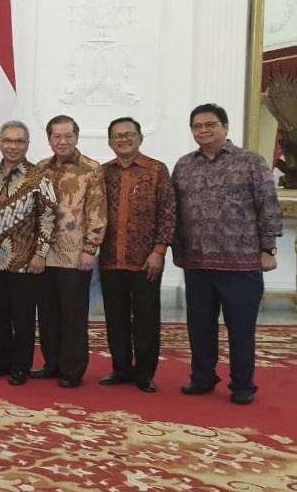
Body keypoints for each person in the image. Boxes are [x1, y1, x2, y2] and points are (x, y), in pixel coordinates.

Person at [172, 103, 281, 405]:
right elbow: (175, 211)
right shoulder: (183, 165)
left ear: (225, 127)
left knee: (241, 329)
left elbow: (269, 206)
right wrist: (176, 249)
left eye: (210, 124)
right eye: (197, 126)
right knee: (200, 327)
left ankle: (243, 384)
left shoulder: (251, 162)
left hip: (242, 263)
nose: (203, 131)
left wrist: (268, 249)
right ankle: (203, 377)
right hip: (197, 263)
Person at [97, 116, 175, 394]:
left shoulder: (157, 170)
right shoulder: (102, 173)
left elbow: (168, 212)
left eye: (129, 134)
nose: (124, 139)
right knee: (114, 317)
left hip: (146, 260)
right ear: (109, 141)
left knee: (145, 317)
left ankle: (144, 373)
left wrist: (159, 250)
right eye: (117, 135)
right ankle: (120, 368)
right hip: (110, 258)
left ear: (140, 138)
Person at [0, 120, 57, 386]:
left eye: (19, 141)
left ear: (27, 144)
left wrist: (41, 254)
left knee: (23, 317)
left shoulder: (40, 177)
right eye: (8, 141)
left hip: (25, 261)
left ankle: (21, 366)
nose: (13, 146)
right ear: (0, 142)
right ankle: (2, 362)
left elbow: (48, 217)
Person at [32, 115, 107, 388]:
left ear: (76, 137)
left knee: (73, 314)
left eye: (68, 136)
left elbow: (97, 212)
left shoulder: (91, 169)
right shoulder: (40, 169)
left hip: (76, 254)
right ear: (49, 139)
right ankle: (52, 363)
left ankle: (73, 369)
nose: (62, 141)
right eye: (56, 136)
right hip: (44, 253)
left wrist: (90, 249)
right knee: (48, 312)